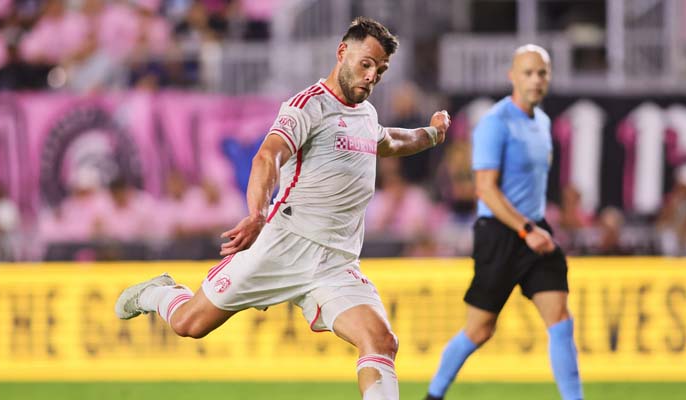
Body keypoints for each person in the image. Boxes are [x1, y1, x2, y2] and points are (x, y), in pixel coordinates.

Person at [115, 17, 451, 400]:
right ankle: (159, 293)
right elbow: (267, 157)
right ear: (343, 53)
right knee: (189, 324)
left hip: (336, 263)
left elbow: (390, 140)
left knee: (381, 340)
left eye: (381, 70)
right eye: (366, 63)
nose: (372, 76)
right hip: (283, 244)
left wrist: (433, 134)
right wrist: (257, 213)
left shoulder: (366, 115)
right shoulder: (307, 105)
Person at [424, 45, 583, 400]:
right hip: (501, 234)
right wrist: (526, 230)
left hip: (535, 231)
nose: (536, 79)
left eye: (541, 72)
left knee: (560, 320)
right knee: (479, 330)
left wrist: (534, 228)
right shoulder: (495, 123)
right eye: (528, 72)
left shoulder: (542, 123)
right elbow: (485, 190)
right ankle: (433, 395)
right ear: (512, 76)